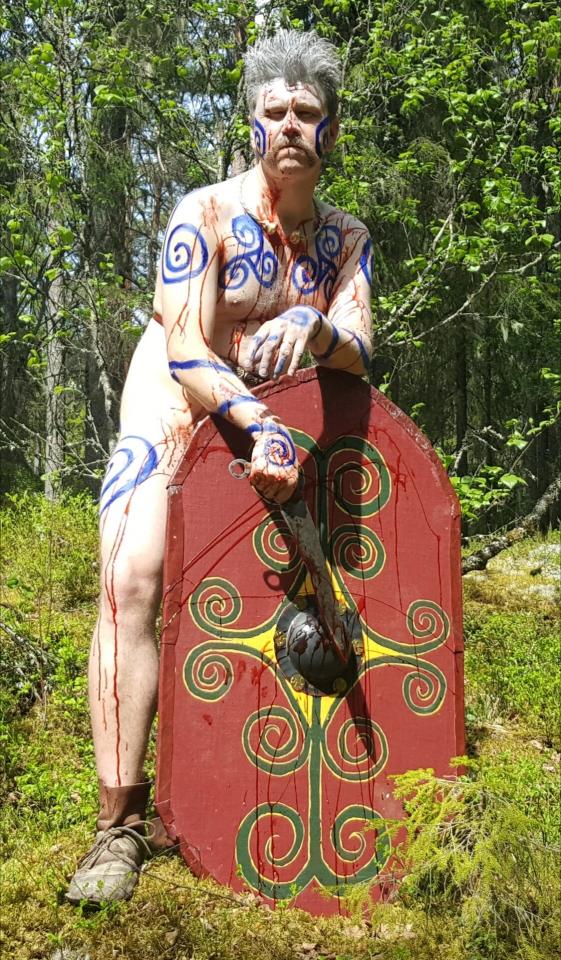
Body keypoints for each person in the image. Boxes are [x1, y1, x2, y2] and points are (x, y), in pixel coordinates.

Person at [66, 27, 373, 905]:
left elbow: (359, 349)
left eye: (306, 111)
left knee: (295, 587)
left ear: (331, 130)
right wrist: (254, 422)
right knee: (133, 575)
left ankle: (257, 792)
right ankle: (118, 825)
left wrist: (315, 326)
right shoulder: (201, 214)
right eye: (273, 111)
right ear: (251, 126)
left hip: (282, 420)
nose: (289, 125)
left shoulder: (345, 239)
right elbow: (186, 346)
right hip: (175, 403)